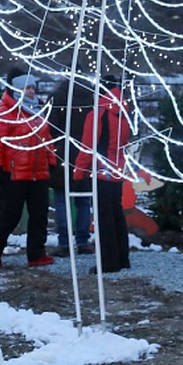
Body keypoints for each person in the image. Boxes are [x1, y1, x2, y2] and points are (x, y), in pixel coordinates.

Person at [0, 73, 57, 268]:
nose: (31, 91)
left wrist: (51, 161)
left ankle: (36, 254)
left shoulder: (40, 109)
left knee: (40, 214)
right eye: (27, 88)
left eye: (33, 87)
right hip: (15, 172)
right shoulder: (6, 112)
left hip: (39, 171)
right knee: (12, 214)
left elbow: (47, 138)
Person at [73, 85, 132, 273]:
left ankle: (108, 262)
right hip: (117, 171)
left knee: (103, 217)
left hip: (100, 171)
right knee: (117, 213)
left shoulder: (98, 114)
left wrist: (78, 171)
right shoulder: (123, 113)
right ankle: (122, 258)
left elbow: (88, 146)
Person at [49, 81, 94, 254]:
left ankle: (65, 242)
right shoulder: (90, 96)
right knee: (83, 199)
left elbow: (50, 125)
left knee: (62, 199)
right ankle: (82, 241)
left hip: (63, 152)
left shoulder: (58, 96)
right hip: (85, 152)